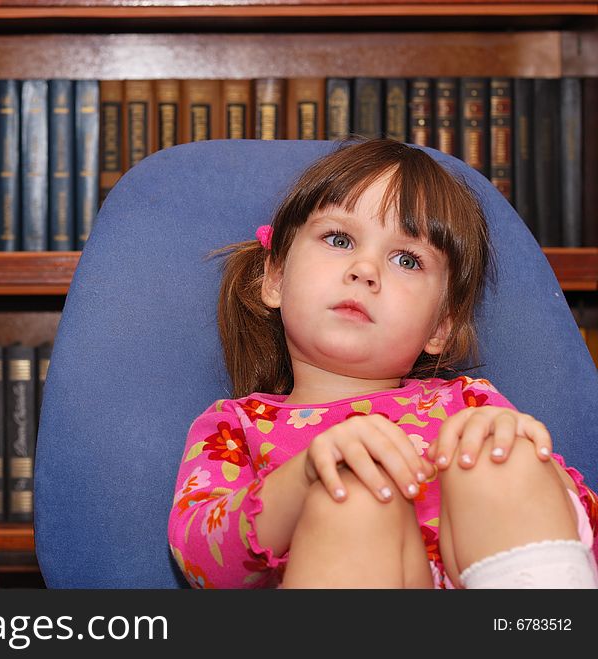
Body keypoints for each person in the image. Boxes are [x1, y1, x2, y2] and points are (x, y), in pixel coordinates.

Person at [167, 138, 598, 589]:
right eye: (339, 239)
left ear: (440, 326)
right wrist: (303, 481)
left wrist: (537, 469)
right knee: (351, 492)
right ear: (275, 278)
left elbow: (586, 526)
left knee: (495, 453)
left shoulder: (472, 406)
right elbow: (200, 561)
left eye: (407, 260)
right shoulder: (235, 427)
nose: (365, 268)